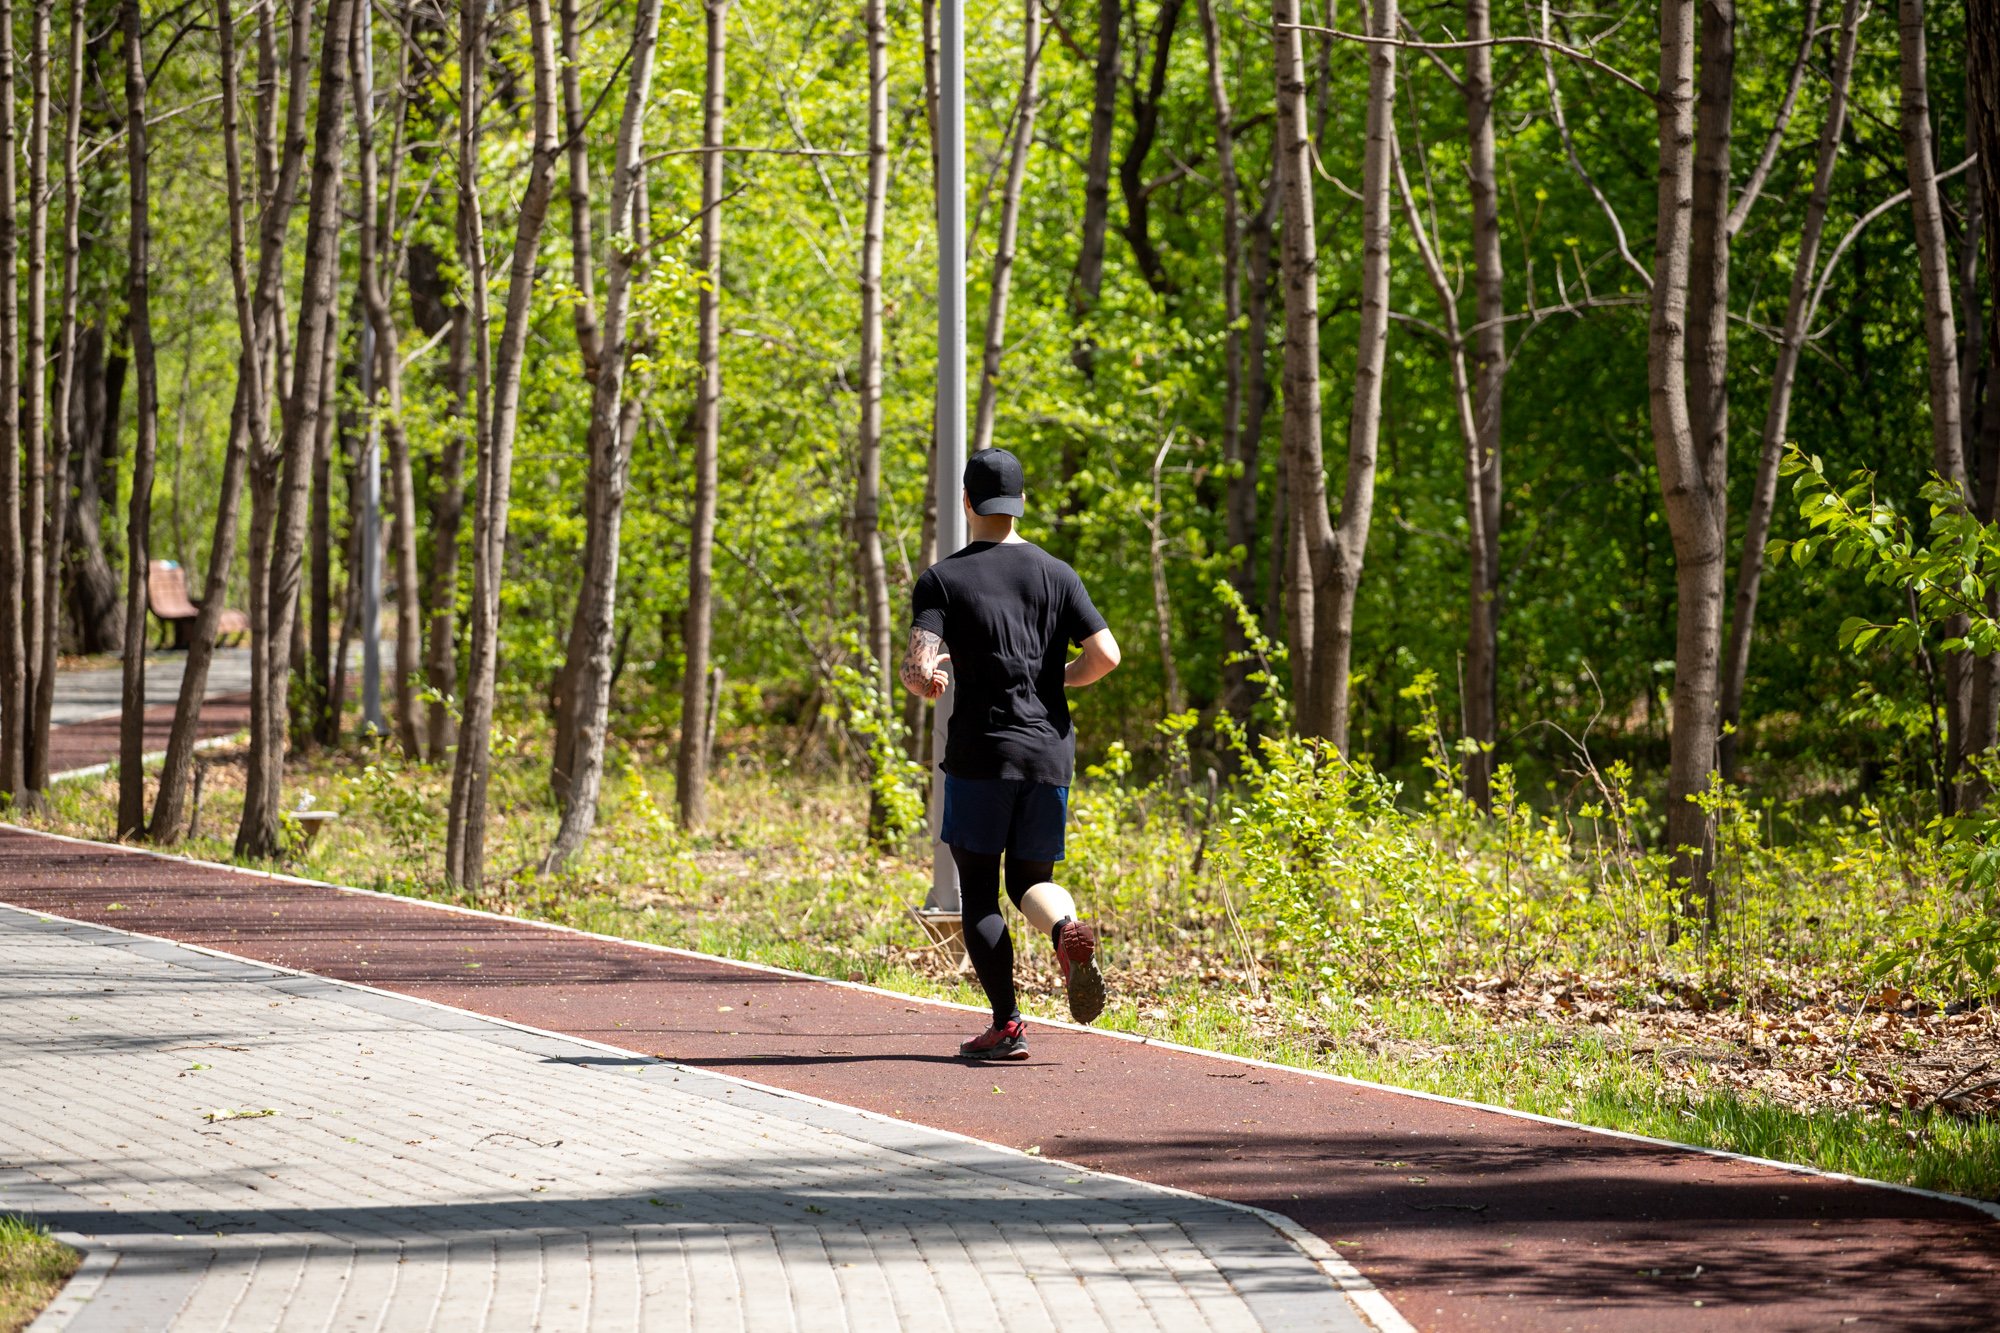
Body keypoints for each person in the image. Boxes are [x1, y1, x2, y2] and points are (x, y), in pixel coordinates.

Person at [900, 448, 1122, 1061]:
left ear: (967, 502)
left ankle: (1007, 1025)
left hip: (982, 755)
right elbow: (1106, 656)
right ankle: (1065, 930)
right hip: (1048, 753)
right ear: (1021, 502)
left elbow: (918, 668)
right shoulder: (1059, 573)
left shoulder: (942, 579)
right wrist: (1056, 678)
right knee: (1030, 880)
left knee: (979, 891)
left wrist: (927, 680)